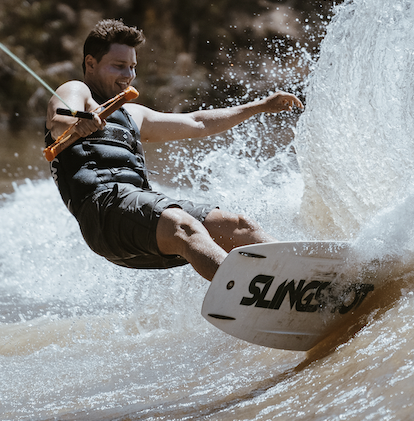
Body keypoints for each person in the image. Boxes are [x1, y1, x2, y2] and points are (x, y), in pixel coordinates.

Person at [45, 19, 303, 281]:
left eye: (132, 67)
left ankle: (301, 278)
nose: (129, 75)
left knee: (237, 226)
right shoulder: (77, 90)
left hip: (137, 215)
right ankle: (248, 293)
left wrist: (259, 106)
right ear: (90, 63)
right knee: (183, 225)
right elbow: (58, 121)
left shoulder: (134, 114)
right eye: (119, 66)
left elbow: (197, 123)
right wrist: (78, 123)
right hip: (103, 215)